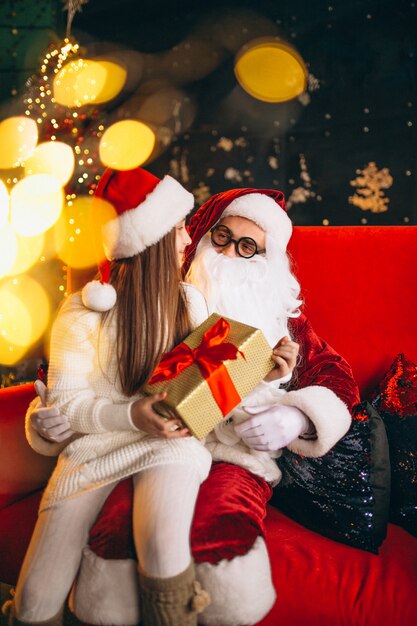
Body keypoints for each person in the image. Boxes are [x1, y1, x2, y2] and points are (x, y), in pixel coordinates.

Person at [25, 187, 360, 626]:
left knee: (217, 533)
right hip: (157, 437)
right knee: (116, 533)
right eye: (222, 237)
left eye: (249, 247)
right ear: (200, 236)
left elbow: (334, 376)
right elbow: (68, 383)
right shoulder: (169, 299)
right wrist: (43, 417)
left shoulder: (284, 317)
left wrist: (295, 414)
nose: (231, 255)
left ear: (269, 259)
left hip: (236, 448)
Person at [5, 166, 218, 626]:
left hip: (168, 443)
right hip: (91, 453)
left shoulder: (191, 303)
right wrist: (132, 415)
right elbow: (69, 406)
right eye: (181, 228)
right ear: (155, 241)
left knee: (163, 545)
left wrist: (266, 368)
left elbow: (204, 385)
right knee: (34, 603)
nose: (188, 240)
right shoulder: (82, 313)